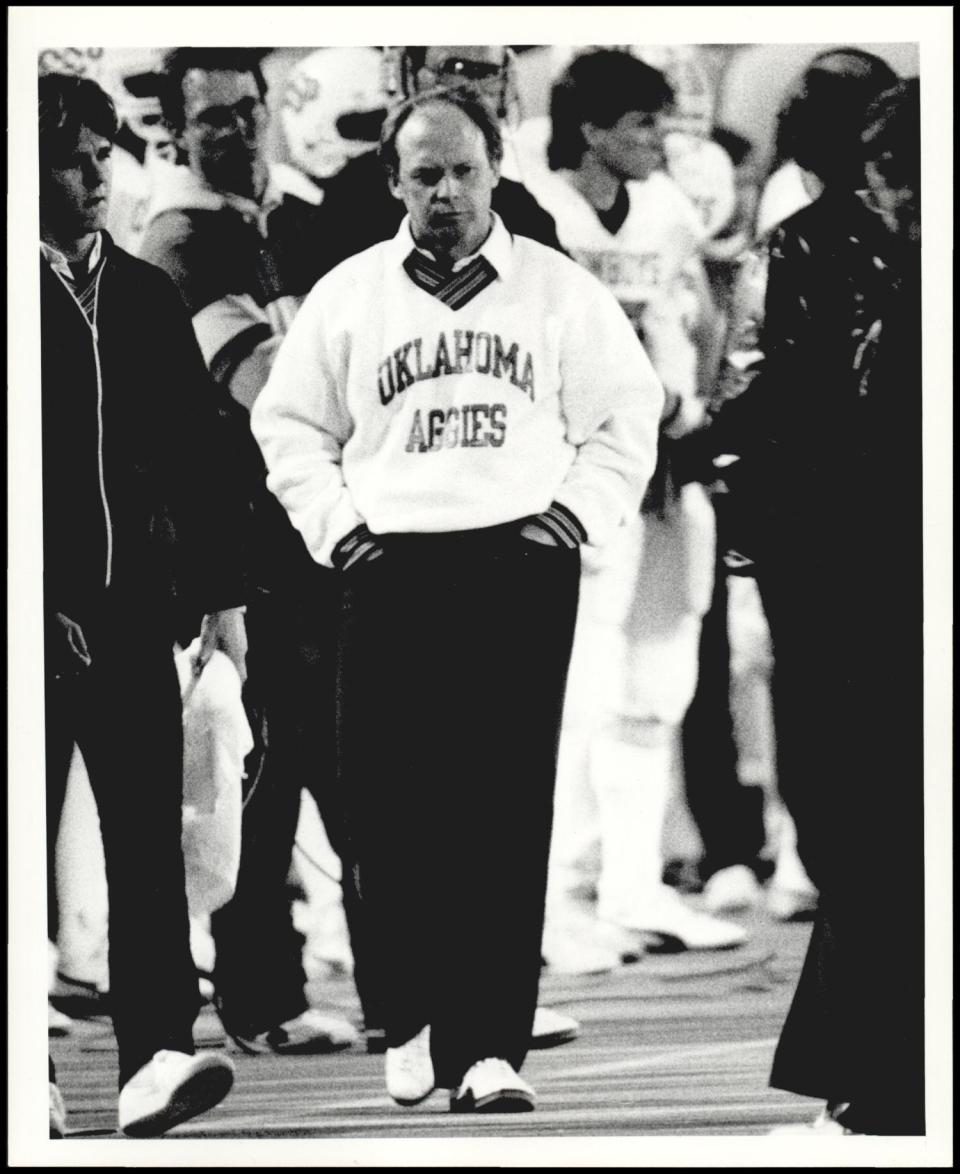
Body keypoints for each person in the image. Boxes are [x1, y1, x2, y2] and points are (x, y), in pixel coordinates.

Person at [251, 86, 663, 1113]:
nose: (444, 190)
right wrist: (339, 530)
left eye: (463, 171)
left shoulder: (557, 291)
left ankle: (489, 1048)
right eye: (423, 173)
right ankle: (411, 1014)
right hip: (388, 564)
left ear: (495, 173)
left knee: (505, 808)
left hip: (517, 563)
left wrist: (571, 517)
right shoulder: (350, 294)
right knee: (388, 812)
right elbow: (289, 426)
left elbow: (627, 412)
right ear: (393, 182)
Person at [703, 57, 923, 1134]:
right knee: (858, 819)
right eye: (892, 167)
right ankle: (876, 1059)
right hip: (841, 573)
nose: (906, 192)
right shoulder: (803, 249)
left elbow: (748, 402)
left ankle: (883, 1065)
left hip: (851, 577)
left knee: (868, 818)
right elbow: (755, 403)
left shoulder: (804, 248)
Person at [139, 46, 362, 1056]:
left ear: (272, 105)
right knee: (260, 775)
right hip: (237, 546)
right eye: (209, 115)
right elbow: (264, 383)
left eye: (243, 107)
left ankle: (407, 990)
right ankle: (257, 998)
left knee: (343, 765)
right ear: (177, 128)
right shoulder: (179, 239)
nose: (230, 128)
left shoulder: (301, 222)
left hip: (319, 536)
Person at [40, 72, 244, 1136]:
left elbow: (200, 458)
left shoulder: (140, 292)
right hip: (30, 621)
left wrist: (221, 600)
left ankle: (158, 1054)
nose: (95, 175)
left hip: (133, 617)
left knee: (146, 841)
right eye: (74, 156)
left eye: (101, 155)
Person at [522, 49, 746, 967]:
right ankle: (557, 896)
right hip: (578, 473)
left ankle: (633, 879)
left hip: (665, 466)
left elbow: (696, 324)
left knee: (657, 682)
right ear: (591, 131)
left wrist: (689, 414)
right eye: (642, 124)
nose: (661, 140)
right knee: (575, 687)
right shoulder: (539, 212)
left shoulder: (665, 215)